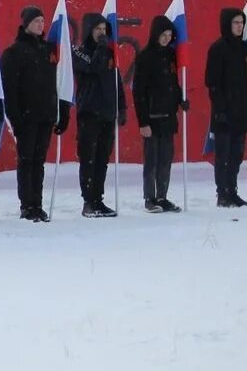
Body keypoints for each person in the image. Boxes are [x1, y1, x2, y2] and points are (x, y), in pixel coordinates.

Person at [1, 5, 65, 223]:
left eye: (42, 20)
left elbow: (56, 83)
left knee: (39, 162)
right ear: (26, 23)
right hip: (26, 117)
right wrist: (16, 118)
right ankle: (27, 205)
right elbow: (10, 88)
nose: (40, 24)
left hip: (45, 115)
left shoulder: (48, 50)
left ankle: (37, 203)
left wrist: (57, 112)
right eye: (36, 21)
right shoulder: (14, 52)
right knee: (26, 160)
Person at [205, 8, 247, 208]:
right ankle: (222, 193)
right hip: (223, 113)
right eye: (235, 22)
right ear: (227, 24)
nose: (239, 26)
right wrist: (220, 109)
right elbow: (212, 83)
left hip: (242, 112)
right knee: (223, 156)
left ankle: (233, 190)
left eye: (241, 22)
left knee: (237, 156)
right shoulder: (217, 49)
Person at [72, 13, 127, 218]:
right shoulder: (79, 52)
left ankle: (98, 199)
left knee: (103, 159)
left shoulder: (110, 54)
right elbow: (91, 68)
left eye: (105, 30)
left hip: (107, 113)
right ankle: (88, 201)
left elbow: (116, 82)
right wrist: (102, 49)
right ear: (89, 30)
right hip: (89, 113)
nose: (102, 33)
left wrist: (121, 108)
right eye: (98, 29)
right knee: (89, 159)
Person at [132, 16, 187, 212]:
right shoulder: (145, 57)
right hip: (152, 117)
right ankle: (150, 198)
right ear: (155, 34)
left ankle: (162, 196)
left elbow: (173, 84)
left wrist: (180, 99)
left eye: (169, 35)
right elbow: (138, 91)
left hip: (169, 116)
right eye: (163, 35)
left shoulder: (171, 56)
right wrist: (143, 121)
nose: (166, 39)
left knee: (166, 159)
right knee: (152, 160)